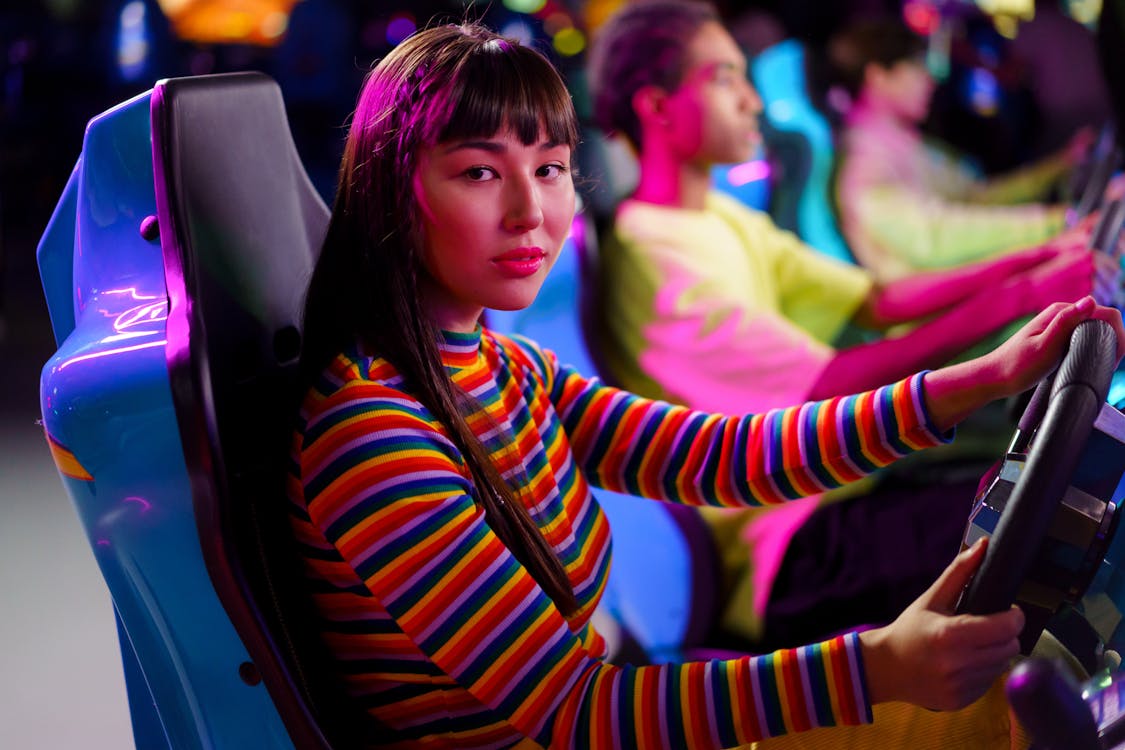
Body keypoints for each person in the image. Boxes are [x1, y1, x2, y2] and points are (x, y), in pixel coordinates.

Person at [290, 20, 1125, 748]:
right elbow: (576, 710)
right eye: (478, 172)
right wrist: (879, 666)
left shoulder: (502, 368)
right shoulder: (372, 432)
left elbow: (725, 455)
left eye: (549, 169)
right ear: (393, 189)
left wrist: (974, 382)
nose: (529, 211)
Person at [586, 0, 1109, 654]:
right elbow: (826, 382)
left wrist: (1036, 260)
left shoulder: (716, 215)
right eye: (724, 79)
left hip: (844, 486)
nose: (752, 101)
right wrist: (1024, 298)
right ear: (655, 107)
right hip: (788, 550)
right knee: (1068, 538)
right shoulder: (652, 259)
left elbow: (879, 300)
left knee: (1075, 500)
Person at [830, 16, 1102, 282]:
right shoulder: (864, 162)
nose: (930, 79)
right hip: (947, 312)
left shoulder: (902, 141)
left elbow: (977, 196)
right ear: (879, 76)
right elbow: (934, 239)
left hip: (969, 289)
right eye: (917, 66)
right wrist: (1055, 223)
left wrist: (1061, 166)